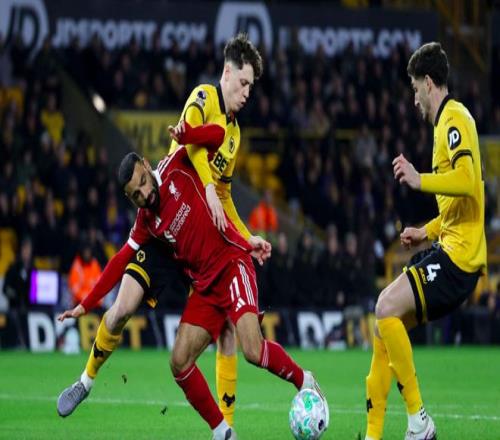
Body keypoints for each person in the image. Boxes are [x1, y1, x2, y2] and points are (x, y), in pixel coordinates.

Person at [56, 33, 264, 426]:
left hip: (196, 234)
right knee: (120, 310)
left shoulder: (233, 134)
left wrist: (244, 236)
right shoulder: (202, 97)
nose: (247, 92)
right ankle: (85, 380)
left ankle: (227, 427)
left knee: (226, 329)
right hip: (165, 225)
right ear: (227, 73)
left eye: (250, 86)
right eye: (243, 83)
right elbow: (190, 143)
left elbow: (223, 190)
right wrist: (86, 302)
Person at [59, 148, 327, 439]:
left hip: (231, 263)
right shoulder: (146, 221)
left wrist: (188, 130)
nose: (145, 194)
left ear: (147, 165)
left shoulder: (178, 164)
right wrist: (86, 304)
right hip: (204, 287)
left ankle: (304, 380)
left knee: (252, 350)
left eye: (143, 182)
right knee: (179, 361)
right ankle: (223, 432)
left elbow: (209, 137)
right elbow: (120, 259)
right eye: (136, 194)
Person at [365, 42, 486, 440]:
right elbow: (459, 204)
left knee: (385, 305)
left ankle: (419, 421)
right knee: (385, 324)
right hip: (448, 247)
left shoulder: (454, 119)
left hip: (459, 259)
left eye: (416, 88)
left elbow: (468, 181)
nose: (414, 98)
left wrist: (420, 180)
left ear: (429, 83)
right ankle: (373, 433)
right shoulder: (444, 125)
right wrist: (426, 231)